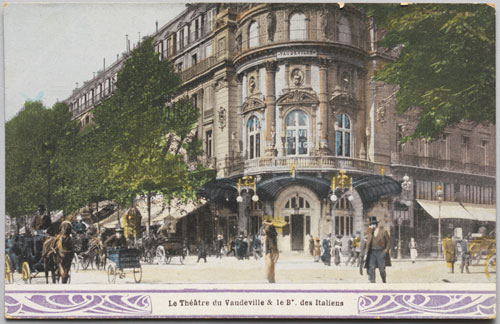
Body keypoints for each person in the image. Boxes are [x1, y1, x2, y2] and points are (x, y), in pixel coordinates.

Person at [365, 216, 391, 283]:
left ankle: (384, 281)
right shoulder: (370, 232)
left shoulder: (383, 231)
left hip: (380, 252)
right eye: (370, 224)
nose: (371, 226)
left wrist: (385, 251)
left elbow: (388, 242)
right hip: (372, 252)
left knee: (381, 269)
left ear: (376, 224)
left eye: (373, 224)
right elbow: (367, 242)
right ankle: (373, 282)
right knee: (371, 268)